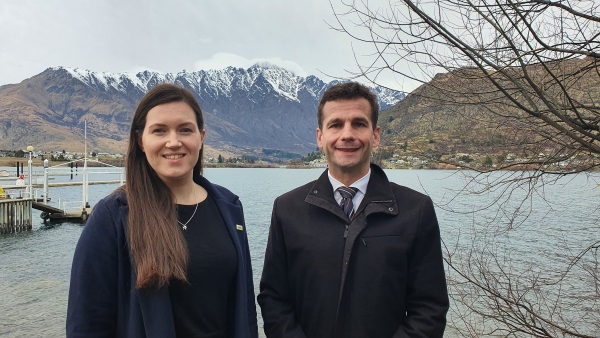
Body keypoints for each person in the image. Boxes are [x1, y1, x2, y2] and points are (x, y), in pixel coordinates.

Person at [257, 82, 449, 337]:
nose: (347, 134)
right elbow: (274, 299)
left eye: (358, 124)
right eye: (336, 124)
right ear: (320, 137)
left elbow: (429, 308)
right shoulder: (287, 209)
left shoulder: (416, 210)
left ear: (375, 135)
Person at [67, 83, 258, 338]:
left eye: (185, 130)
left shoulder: (229, 206)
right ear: (141, 141)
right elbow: (87, 323)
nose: (173, 142)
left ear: (201, 138)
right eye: (159, 131)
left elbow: (244, 306)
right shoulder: (114, 215)